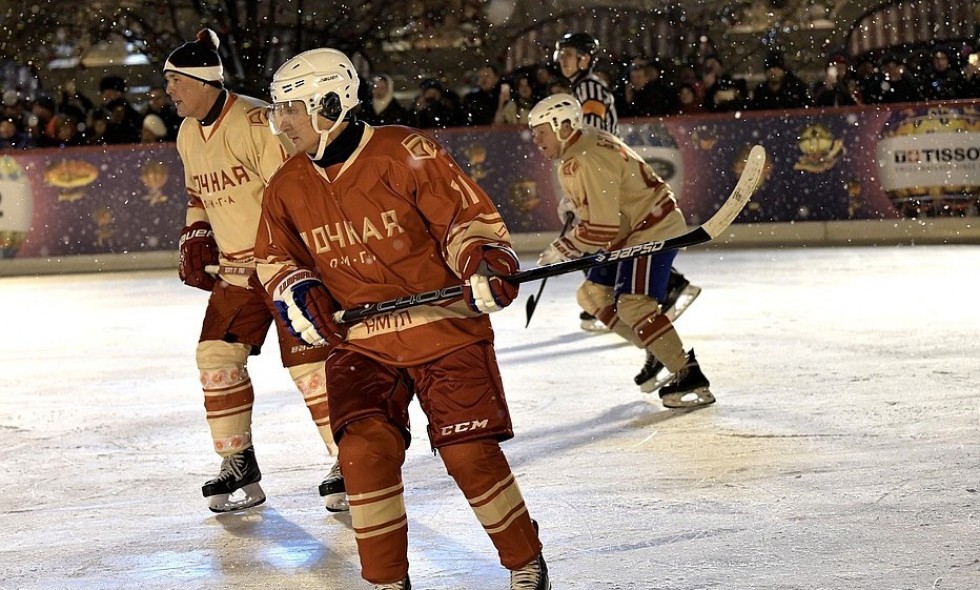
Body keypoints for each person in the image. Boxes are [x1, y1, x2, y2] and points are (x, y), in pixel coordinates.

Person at [254, 47, 551, 590]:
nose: (283, 122)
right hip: (362, 343)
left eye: (292, 109)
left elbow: (466, 220)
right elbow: (274, 259)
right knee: (363, 451)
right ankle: (387, 581)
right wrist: (298, 290)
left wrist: (482, 260)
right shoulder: (287, 184)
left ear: (329, 102)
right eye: (279, 110)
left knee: (468, 454)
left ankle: (524, 560)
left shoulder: (402, 150)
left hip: (445, 327)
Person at [163, 28, 347, 514]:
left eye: (174, 81)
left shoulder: (252, 123)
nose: (169, 92)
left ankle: (350, 460)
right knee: (215, 357)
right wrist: (195, 233)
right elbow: (198, 195)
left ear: (201, 81)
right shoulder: (186, 133)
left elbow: (292, 191)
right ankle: (238, 462)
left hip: (284, 264)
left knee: (310, 364)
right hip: (236, 271)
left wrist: (289, 260)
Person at [528, 93, 714, 409]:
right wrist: (576, 204)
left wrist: (564, 247)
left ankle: (688, 373)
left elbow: (602, 229)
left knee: (634, 307)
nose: (536, 140)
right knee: (592, 297)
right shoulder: (583, 142)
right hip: (632, 229)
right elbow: (606, 198)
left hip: (649, 229)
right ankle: (659, 348)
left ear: (562, 126)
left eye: (541, 132)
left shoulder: (584, 158)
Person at [553, 32, 701, 385]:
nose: (563, 60)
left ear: (587, 58)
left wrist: (583, 190)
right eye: (562, 54)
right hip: (606, 182)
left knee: (618, 255)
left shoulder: (588, 91)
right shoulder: (581, 91)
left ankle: (669, 291)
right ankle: (661, 329)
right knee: (607, 270)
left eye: (570, 54)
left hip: (610, 184)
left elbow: (590, 139)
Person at [747, 51, 811, 111]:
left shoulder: (797, 88)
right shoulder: (760, 91)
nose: (772, 72)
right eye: (769, 69)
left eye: (776, 68)